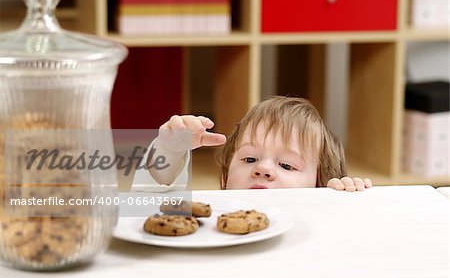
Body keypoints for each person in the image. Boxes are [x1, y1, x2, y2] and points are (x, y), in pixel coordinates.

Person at [132, 96, 372, 192]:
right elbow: (151, 210)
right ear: (225, 180)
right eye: (249, 159)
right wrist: (169, 152)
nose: (263, 169)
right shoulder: (214, 218)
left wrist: (342, 201)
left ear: (318, 186)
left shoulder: (321, 216)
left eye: (287, 166)